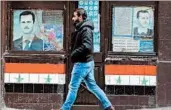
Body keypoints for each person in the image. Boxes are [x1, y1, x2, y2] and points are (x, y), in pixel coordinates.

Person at [59, 8, 115, 110]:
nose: (72, 18)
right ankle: (108, 106)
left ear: (80, 17)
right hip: (87, 62)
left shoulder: (85, 29)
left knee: (73, 87)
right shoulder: (82, 28)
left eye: (75, 16)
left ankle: (65, 108)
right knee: (92, 86)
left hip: (82, 63)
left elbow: (87, 46)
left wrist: (74, 53)